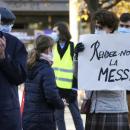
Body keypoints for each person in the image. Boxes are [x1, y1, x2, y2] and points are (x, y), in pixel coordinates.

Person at [75, 9, 129, 130]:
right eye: (96, 27)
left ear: (111, 28)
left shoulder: (123, 47)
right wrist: (78, 57)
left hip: (114, 110)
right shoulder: (90, 46)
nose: (97, 30)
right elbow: (79, 77)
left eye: (100, 27)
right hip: (94, 108)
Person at [22, 35, 65, 130]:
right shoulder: (47, 70)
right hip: (43, 120)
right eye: (52, 49)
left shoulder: (29, 66)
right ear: (48, 49)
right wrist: (61, 103)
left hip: (28, 117)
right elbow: (51, 95)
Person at [51, 22, 84, 130]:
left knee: (76, 117)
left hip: (70, 89)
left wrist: (74, 89)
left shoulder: (72, 47)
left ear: (62, 31)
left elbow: (77, 70)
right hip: (57, 89)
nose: (53, 34)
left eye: (55, 31)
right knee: (59, 118)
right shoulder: (52, 47)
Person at [0, 8, 27, 130]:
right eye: (4, 23)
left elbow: (20, 77)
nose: (7, 27)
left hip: (7, 111)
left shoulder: (15, 44)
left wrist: (4, 58)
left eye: (9, 24)